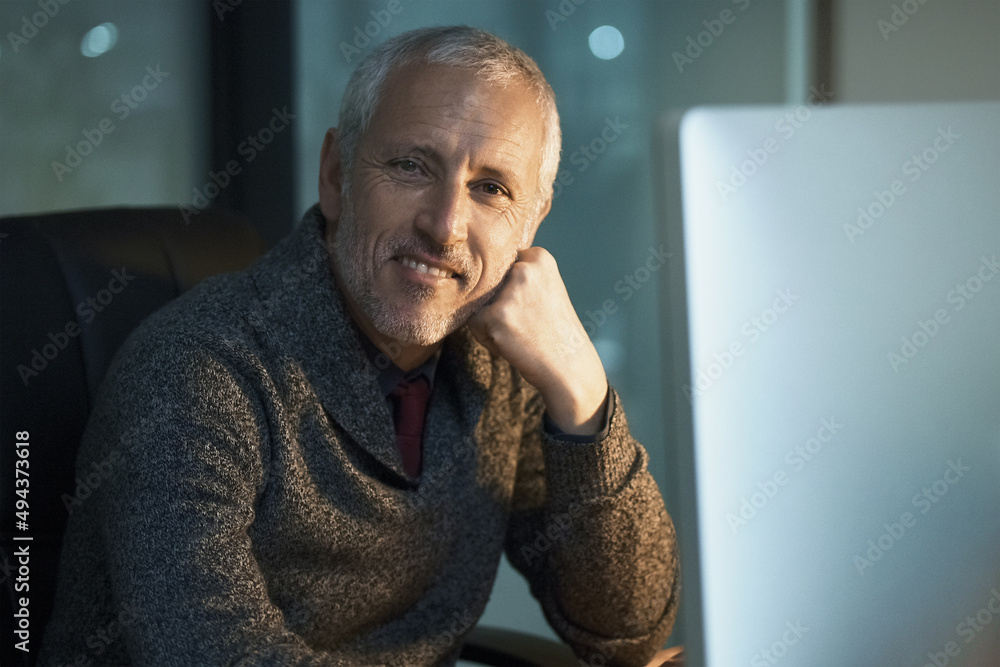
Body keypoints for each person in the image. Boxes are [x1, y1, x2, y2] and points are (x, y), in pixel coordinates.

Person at [39, 26, 679, 667]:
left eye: (491, 188)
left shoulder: (497, 361)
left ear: (531, 223)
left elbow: (625, 630)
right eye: (411, 166)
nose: (445, 223)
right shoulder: (196, 368)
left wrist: (583, 392)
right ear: (337, 176)